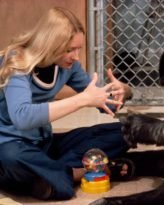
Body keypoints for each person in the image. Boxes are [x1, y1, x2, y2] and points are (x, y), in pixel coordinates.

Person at [0, 7, 133, 200]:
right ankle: (77, 172)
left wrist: (124, 91)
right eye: (69, 49)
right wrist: (81, 100)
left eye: (78, 48)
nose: (76, 56)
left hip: (44, 144)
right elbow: (23, 117)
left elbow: (106, 103)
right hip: (11, 146)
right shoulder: (17, 62)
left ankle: (50, 174)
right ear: (49, 44)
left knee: (128, 130)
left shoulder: (68, 67)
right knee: (12, 159)